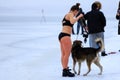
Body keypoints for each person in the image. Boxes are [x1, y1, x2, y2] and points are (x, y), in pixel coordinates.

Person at [58, 4, 83, 77]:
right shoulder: (71, 14)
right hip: (66, 36)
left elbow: (68, 23)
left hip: (61, 35)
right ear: (75, 11)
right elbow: (72, 22)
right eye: (76, 13)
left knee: (63, 54)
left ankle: (64, 69)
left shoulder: (66, 15)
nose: (76, 14)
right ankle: (65, 71)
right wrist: (79, 16)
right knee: (67, 54)